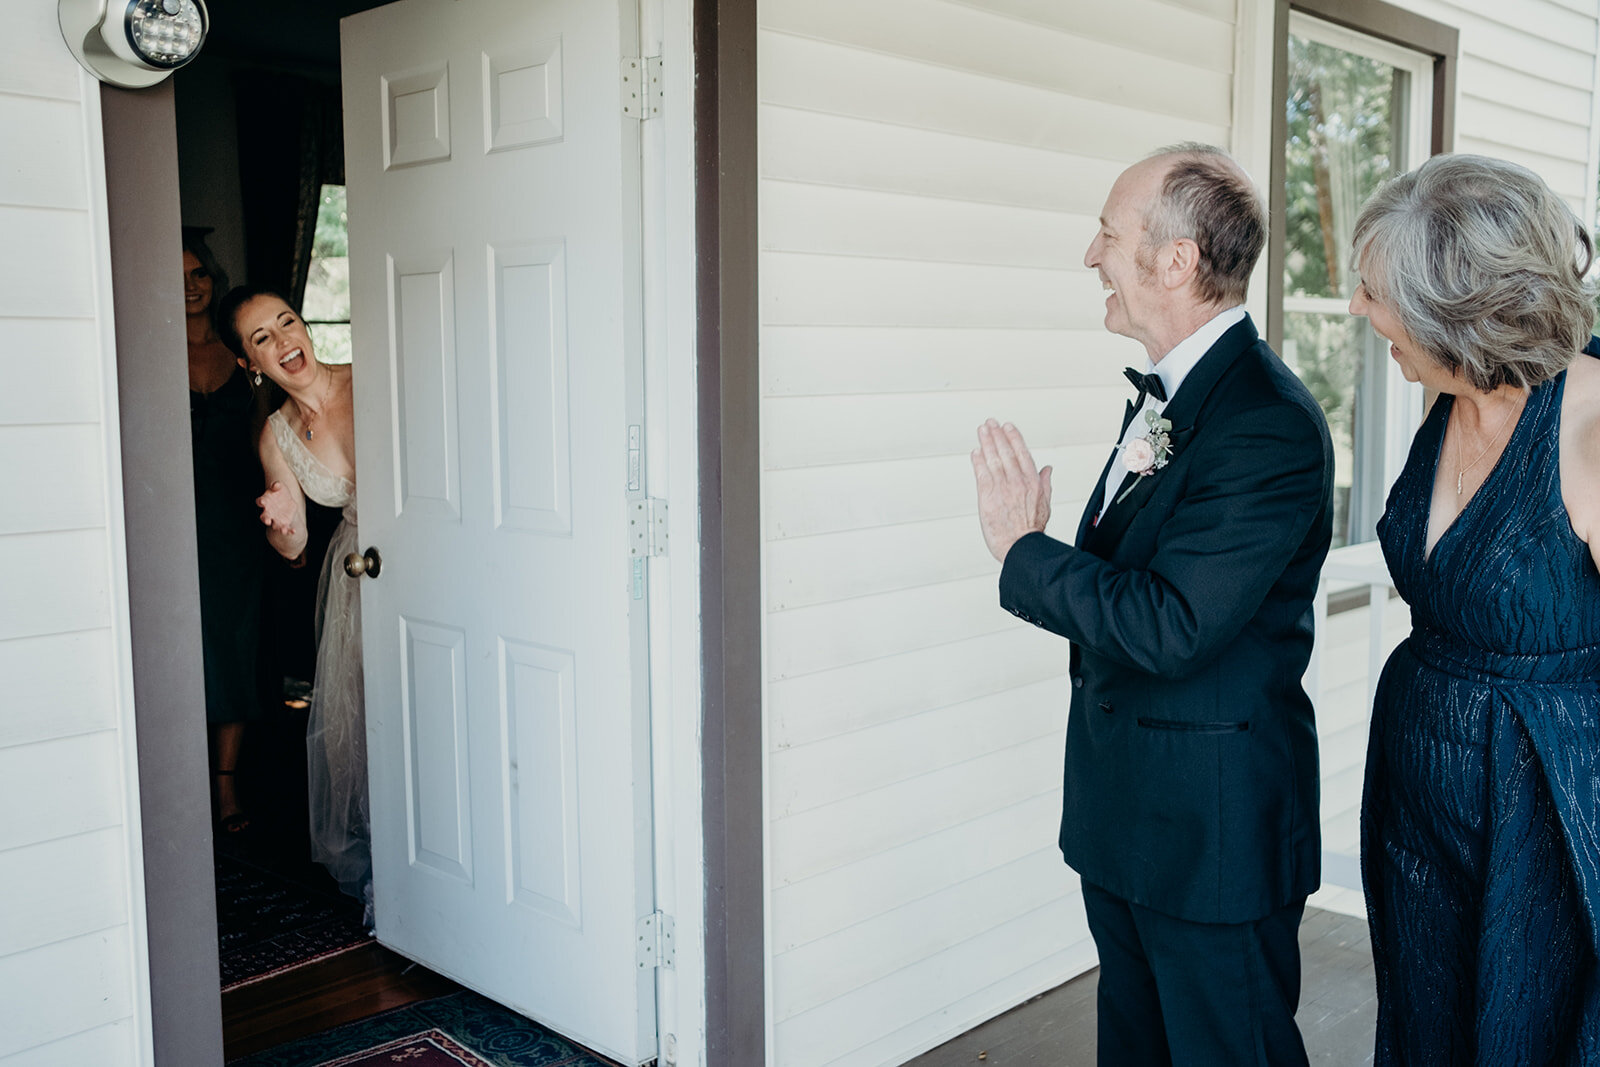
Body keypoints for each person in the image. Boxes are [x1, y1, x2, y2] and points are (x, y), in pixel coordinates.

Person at [971, 143, 1334, 1064]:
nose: (1090, 254)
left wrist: (1024, 549)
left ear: (1174, 262)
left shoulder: (1265, 421)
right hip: (1130, 820)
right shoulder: (1176, 397)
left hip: (1212, 839)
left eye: (1106, 232)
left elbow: (1172, 623)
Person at [1348, 154, 1600, 1064]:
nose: (1359, 312)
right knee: (1426, 1025)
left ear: (1454, 306)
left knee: (1520, 1030)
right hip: (1417, 797)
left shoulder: (1591, 424)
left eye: (1375, 293)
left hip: (1543, 813)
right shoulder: (1450, 394)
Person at [217, 284, 370, 911]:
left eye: (286, 322)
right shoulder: (276, 438)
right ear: (251, 364)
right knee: (370, 729)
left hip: (435, 559)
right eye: (262, 338)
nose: (283, 341)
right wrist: (281, 522)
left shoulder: (372, 376)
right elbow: (297, 547)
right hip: (365, 574)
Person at [184, 230, 265, 835]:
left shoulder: (240, 352)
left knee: (236, 649)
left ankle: (226, 788)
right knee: (190, 650)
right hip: (178, 522)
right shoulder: (149, 346)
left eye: (200, 274)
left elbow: (269, 433)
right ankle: (179, 780)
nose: (191, 286)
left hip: (238, 522)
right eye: (179, 275)